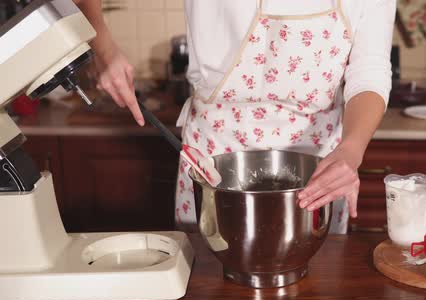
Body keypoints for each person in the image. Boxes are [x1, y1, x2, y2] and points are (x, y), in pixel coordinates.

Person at [75, 0, 396, 234]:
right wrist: (103, 49)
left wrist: (350, 151)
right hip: (214, 157)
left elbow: (369, 71)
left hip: (319, 165)